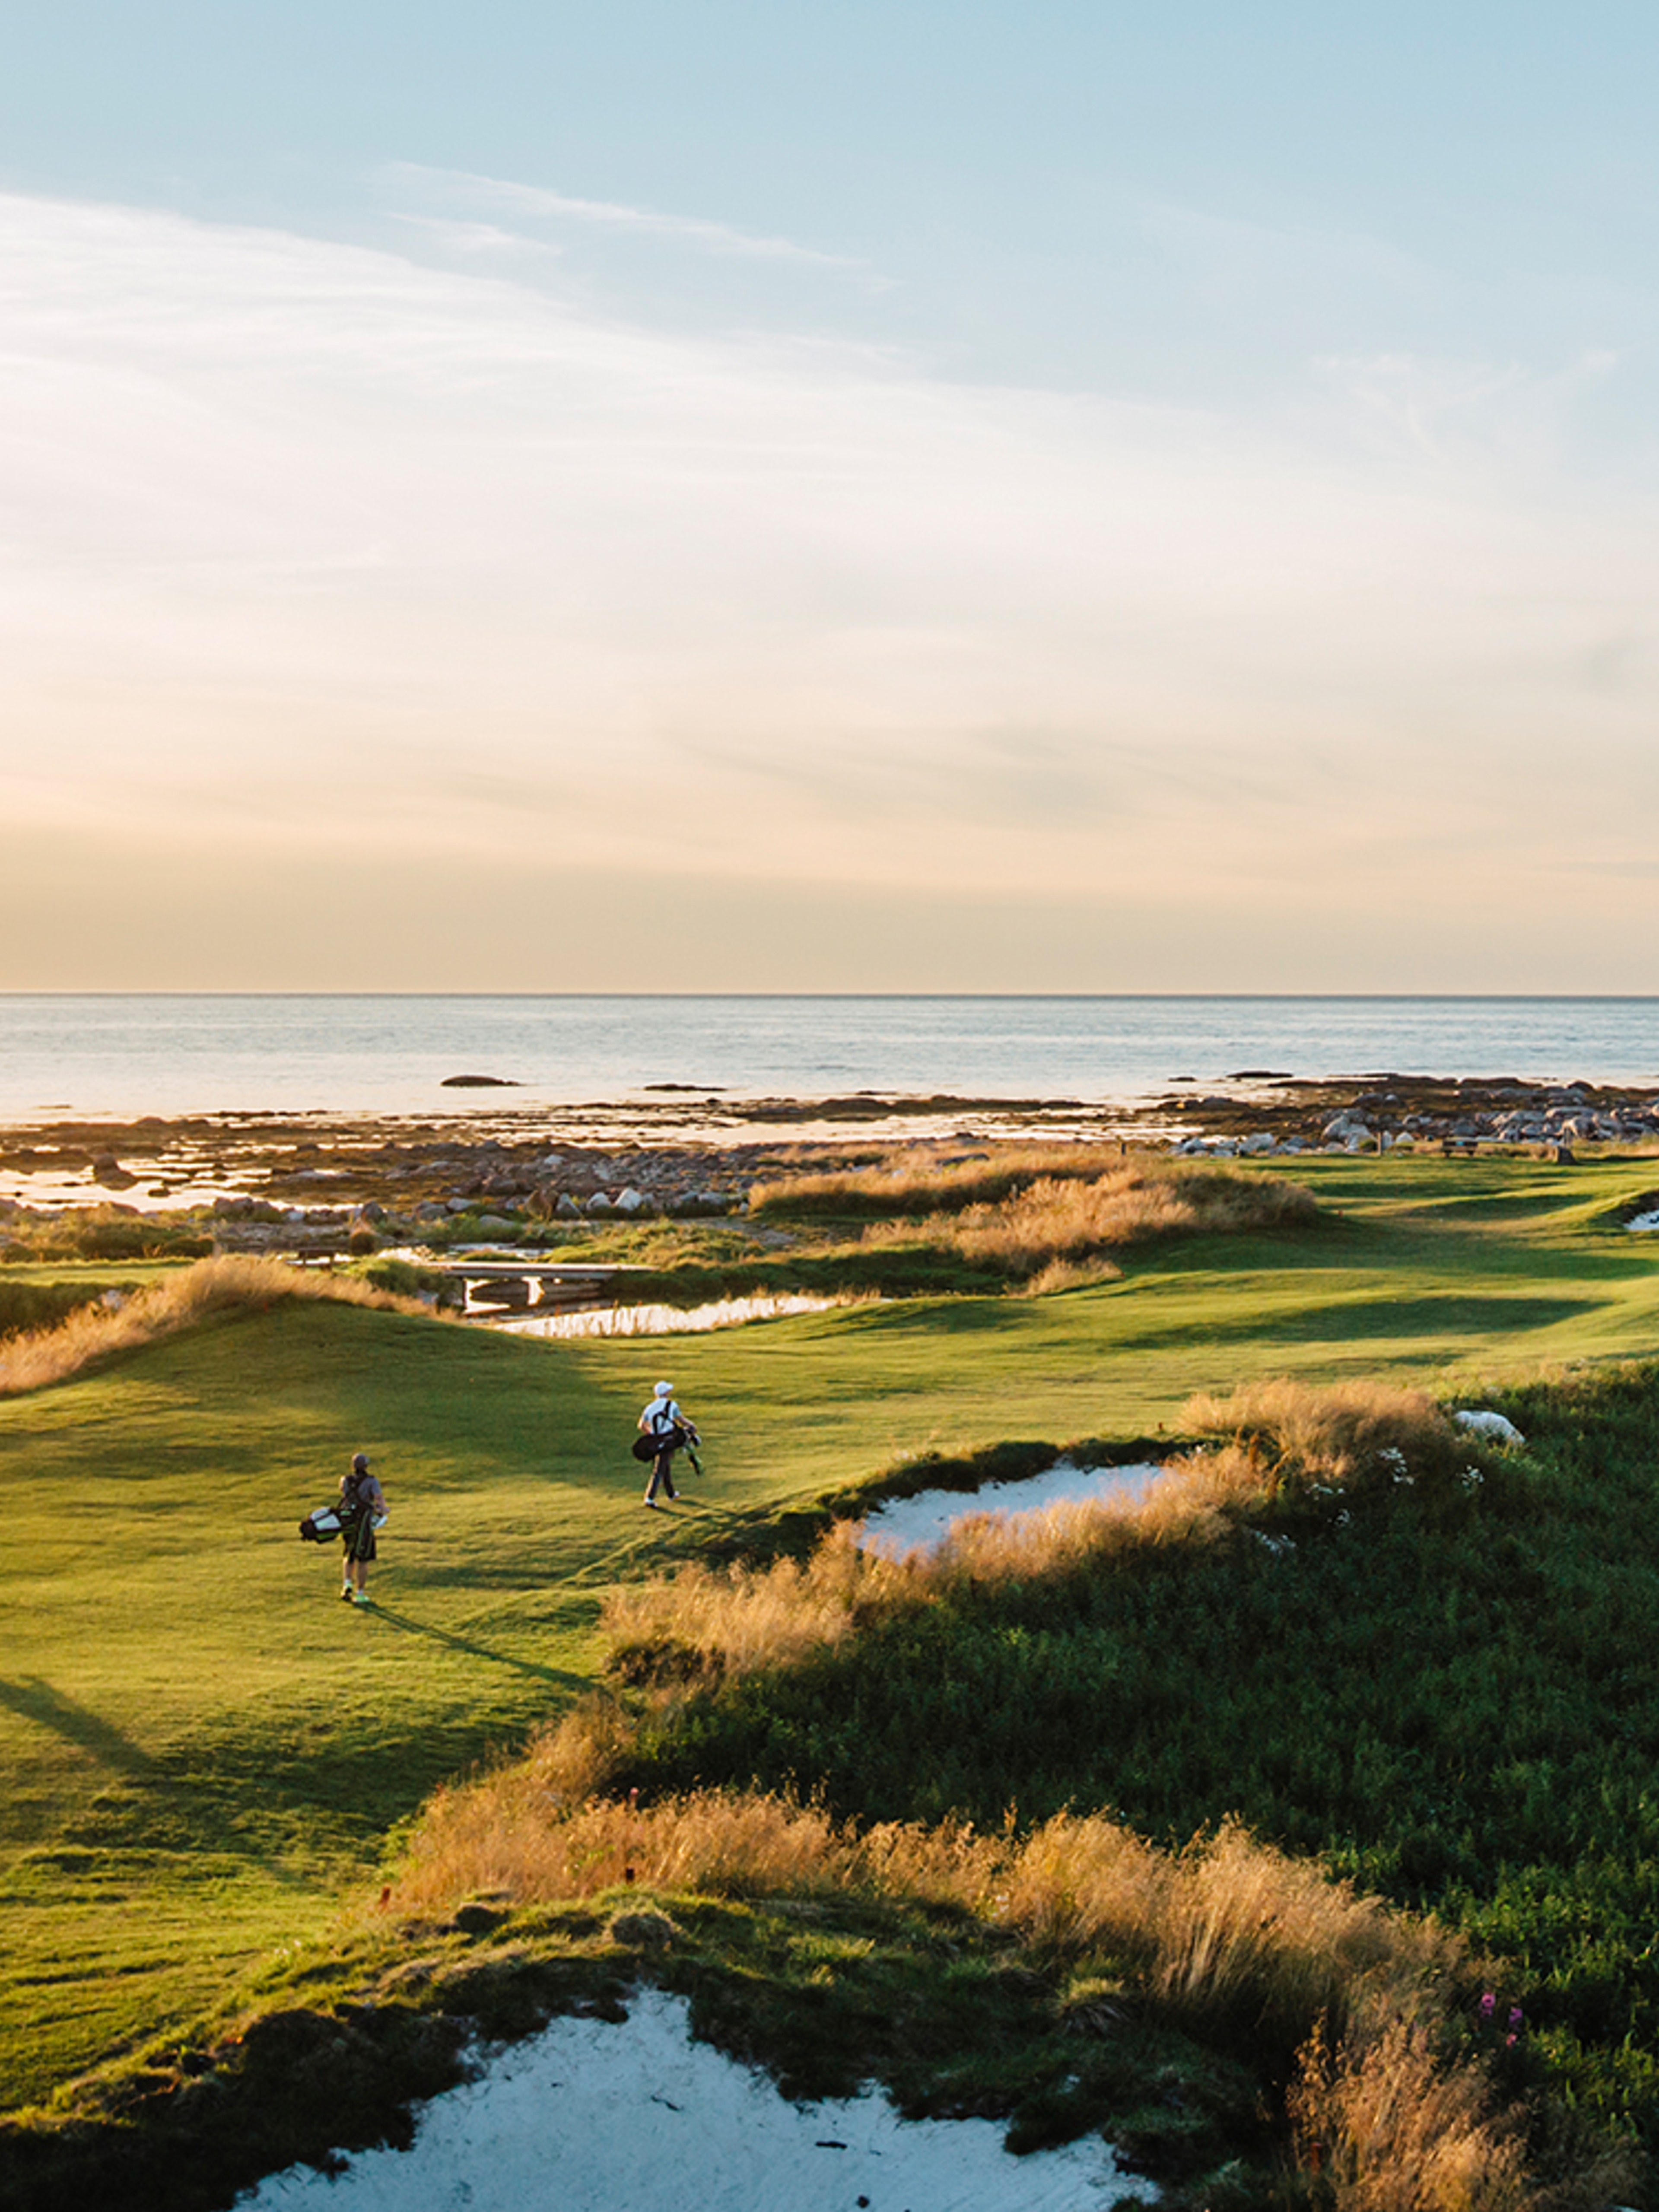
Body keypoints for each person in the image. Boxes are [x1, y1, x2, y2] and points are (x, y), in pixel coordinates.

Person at [337, 1450, 388, 1604]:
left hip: (348, 1520)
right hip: (363, 1521)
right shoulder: (372, 1481)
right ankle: (359, 1593)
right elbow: (378, 1499)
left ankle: (347, 1584)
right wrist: (383, 1509)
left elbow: (344, 1494)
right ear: (366, 1466)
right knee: (364, 1558)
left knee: (349, 1553)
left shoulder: (345, 1480)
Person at [638, 1381, 698, 1508]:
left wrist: (652, 1434)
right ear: (666, 1393)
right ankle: (649, 1497)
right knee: (659, 1469)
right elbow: (681, 1420)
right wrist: (692, 1426)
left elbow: (641, 1425)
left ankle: (671, 1494)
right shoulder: (671, 1405)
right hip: (668, 1440)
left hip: (655, 1441)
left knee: (665, 1466)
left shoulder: (650, 1407)